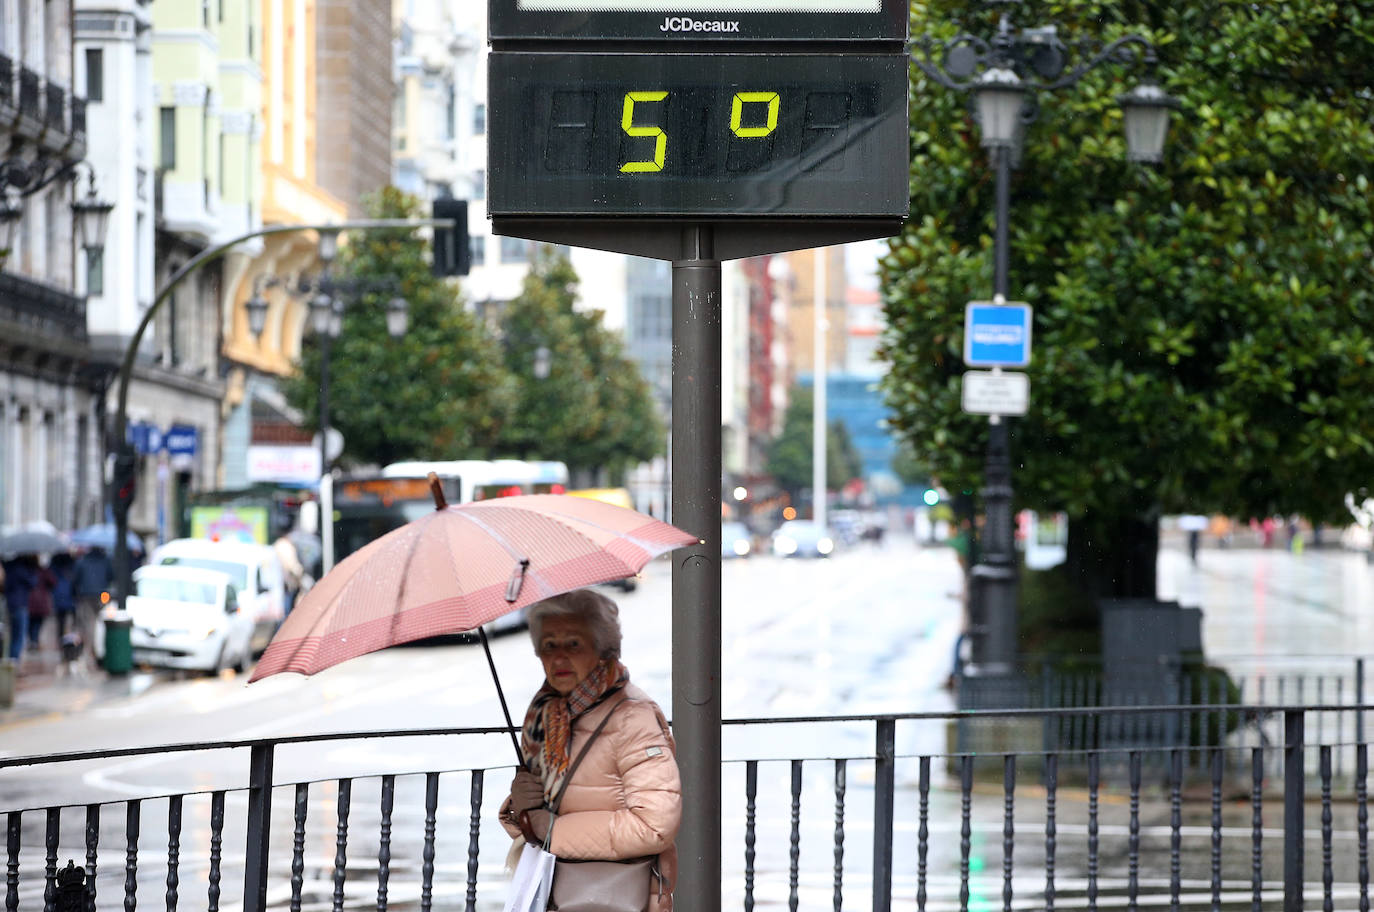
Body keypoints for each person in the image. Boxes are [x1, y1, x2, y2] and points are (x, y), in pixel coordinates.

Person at [499, 589, 681, 912]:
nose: (558, 658)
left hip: (620, 898)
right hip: (557, 896)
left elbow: (655, 824)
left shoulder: (632, 718)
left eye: (573, 644)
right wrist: (521, 807)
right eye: (549, 645)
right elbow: (538, 824)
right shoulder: (547, 716)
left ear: (603, 650)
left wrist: (552, 830)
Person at [273, 529, 305, 617]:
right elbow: (291, 565)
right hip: (288, 585)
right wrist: (299, 572)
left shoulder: (278, 545)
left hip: (282, 584)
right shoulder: (285, 546)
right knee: (288, 612)